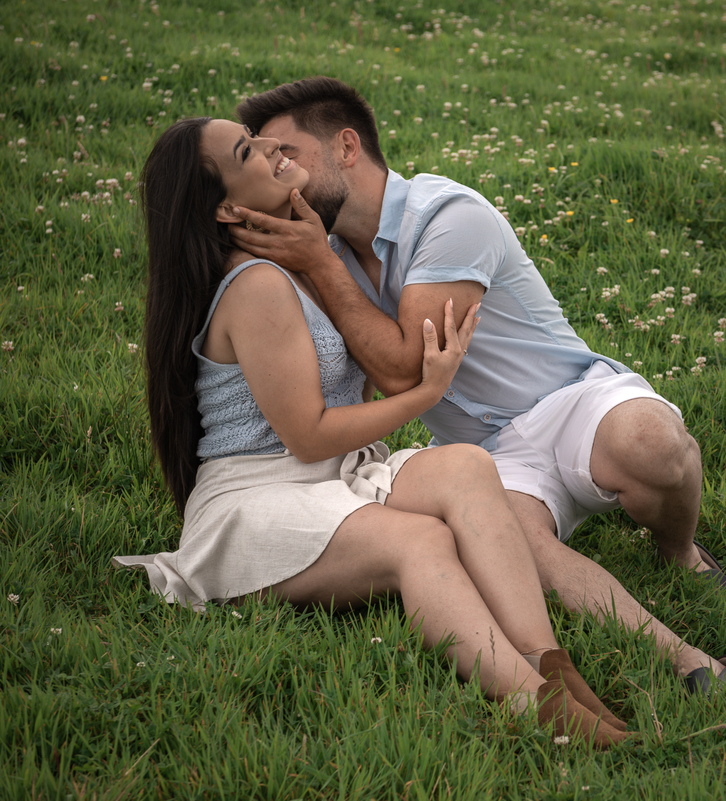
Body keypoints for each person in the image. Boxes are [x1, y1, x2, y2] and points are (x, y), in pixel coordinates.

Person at [111, 117, 636, 748]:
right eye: (249, 150)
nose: (275, 146)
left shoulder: (312, 258)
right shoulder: (255, 286)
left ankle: (551, 666)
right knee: (419, 543)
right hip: (257, 498)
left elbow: (348, 388)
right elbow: (308, 434)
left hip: (338, 473)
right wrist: (424, 395)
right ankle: (534, 708)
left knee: (466, 465)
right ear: (226, 205)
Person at [228, 77, 726, 693]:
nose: (280, 171)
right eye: (267, 158)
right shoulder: (322, 248)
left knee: (650, 442)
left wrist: (317, 262)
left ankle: (680, 550)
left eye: (289, 154)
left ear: (346, 146)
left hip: (568, 401)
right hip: (492, 455)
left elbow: (404, 370)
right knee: (517, 548)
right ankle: (688, 662)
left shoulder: (449, 216)